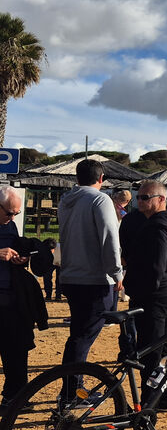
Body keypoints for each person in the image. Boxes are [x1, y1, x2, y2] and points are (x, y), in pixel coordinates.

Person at [57, 159, 123, 400]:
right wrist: (118, 273)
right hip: (95, 280)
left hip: (71, 275)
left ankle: (71, 388)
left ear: (77, 178)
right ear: (101, 178)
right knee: (81, 339)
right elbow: (109, 239)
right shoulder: (100, 199)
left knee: (77, 336)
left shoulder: (66, 201)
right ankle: (71, 394)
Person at [120, 180, 167, 411]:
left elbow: (154, 272)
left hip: (155, 297)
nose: (140, 201)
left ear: (161, 200)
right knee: (163, 346)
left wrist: (134, 291)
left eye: (145, 197)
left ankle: (149, 406)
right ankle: (163, 400)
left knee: (151, 353)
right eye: (138, 197)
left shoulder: (157, 228)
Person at [0, 184, 49, 409]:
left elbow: (12, 251)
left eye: (16, 213)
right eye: (9, 212)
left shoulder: (9, 226)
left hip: (11, 296)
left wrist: (21, 260)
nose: (12, 217)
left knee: (17, 348)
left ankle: (16, 397)